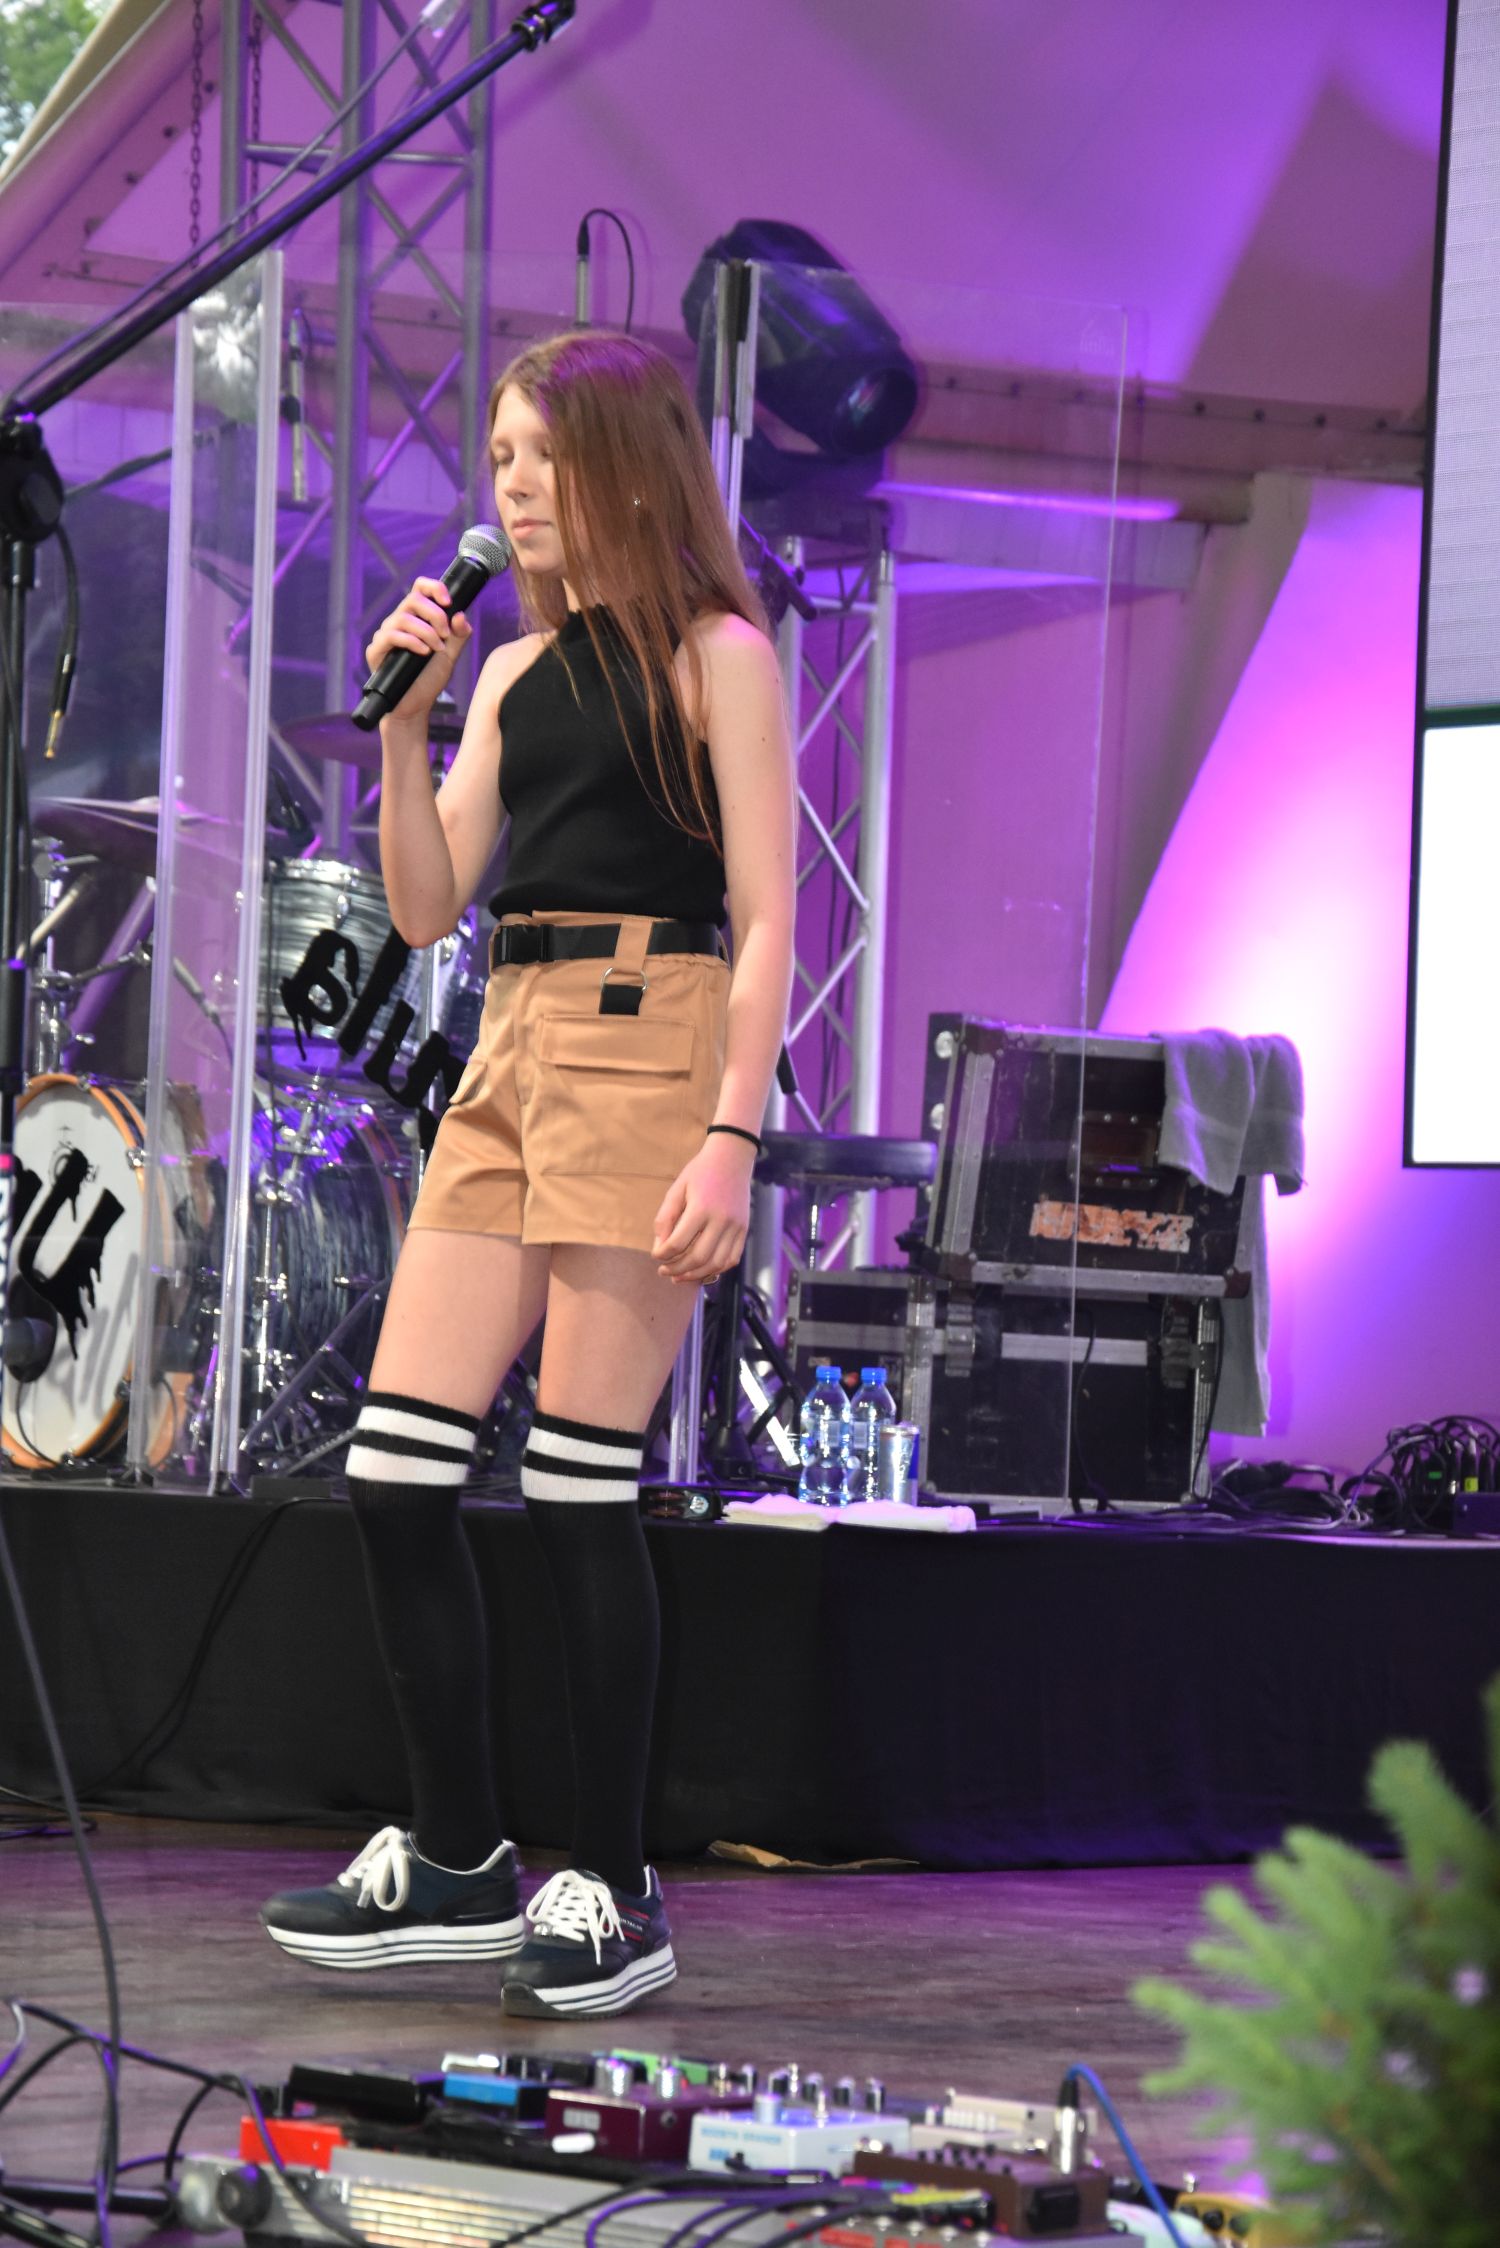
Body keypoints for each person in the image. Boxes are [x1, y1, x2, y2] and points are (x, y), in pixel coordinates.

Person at [259, 331, 795, 2018]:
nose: (511, 485)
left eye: (541, 454)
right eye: (497, 456)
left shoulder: (720, 656)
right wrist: (409, 726)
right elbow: (426, 907)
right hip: (507, 1046)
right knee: (393, 1473)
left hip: (652, 1034)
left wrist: (734, 1134)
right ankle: (459, 1856)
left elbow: (770, 916)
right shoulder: (507, 673)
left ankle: (615, 1886)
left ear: (627, 462)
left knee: (577, 1488)